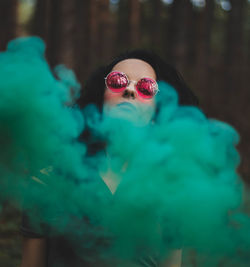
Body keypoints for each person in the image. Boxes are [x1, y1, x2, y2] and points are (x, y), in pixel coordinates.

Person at [20, 49, 198, 267]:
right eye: (118, 81)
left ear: (157, 111)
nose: (130, 90)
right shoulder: (53, 181)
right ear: (100, 99)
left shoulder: (172, 191)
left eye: (146, 87)